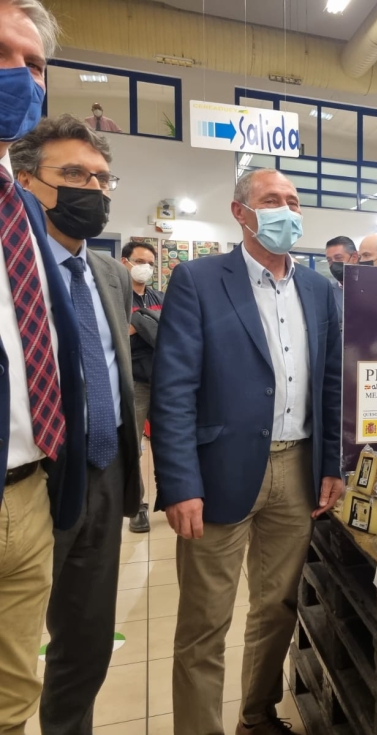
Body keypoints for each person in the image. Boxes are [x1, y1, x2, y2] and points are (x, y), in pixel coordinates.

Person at [151, 168, 343, 735]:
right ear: (242, 212)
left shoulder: (319, 289)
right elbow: (174, 388)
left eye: (293, 201)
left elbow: (330, 384)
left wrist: (330, 463)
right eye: (271, 200)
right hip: (217, 474)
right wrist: (180, 482)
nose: (286, 210)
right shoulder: (200, 279)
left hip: (297, 468)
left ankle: (256, 718)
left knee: (277, 607)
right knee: (205, 623)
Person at [13, 113, 141, 734]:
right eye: (72, 174)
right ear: (26, 181)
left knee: (86, 638)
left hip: (103, 469)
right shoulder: (17, 269)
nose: (91, 189)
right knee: (13, 647)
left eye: (101, 178)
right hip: (34, 475)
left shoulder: (110, 274)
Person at [0, 2, 86, 730]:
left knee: (11, 695)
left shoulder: (18, 207)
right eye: (0, 53)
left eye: (32, 64)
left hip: (28, 495)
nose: (19, 77)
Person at [122, 238, 163, 533]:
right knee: (132, 447)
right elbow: (112, 334)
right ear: (125, 262)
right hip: (133, 383)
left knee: (169, 443)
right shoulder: (115, 297)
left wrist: (139, 324)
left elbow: (170, 331)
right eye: (139, 261)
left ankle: (174, 495)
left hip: (162, 381)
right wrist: (139, 324)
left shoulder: (158, 296)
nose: (145, 268)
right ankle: (137, 505)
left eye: (150, 263)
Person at [325, 234, 356, 322]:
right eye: (329, 260)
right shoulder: (327, 292)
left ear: (354, 257)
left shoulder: (373, 289)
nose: (333, 263)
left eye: (338, 258)